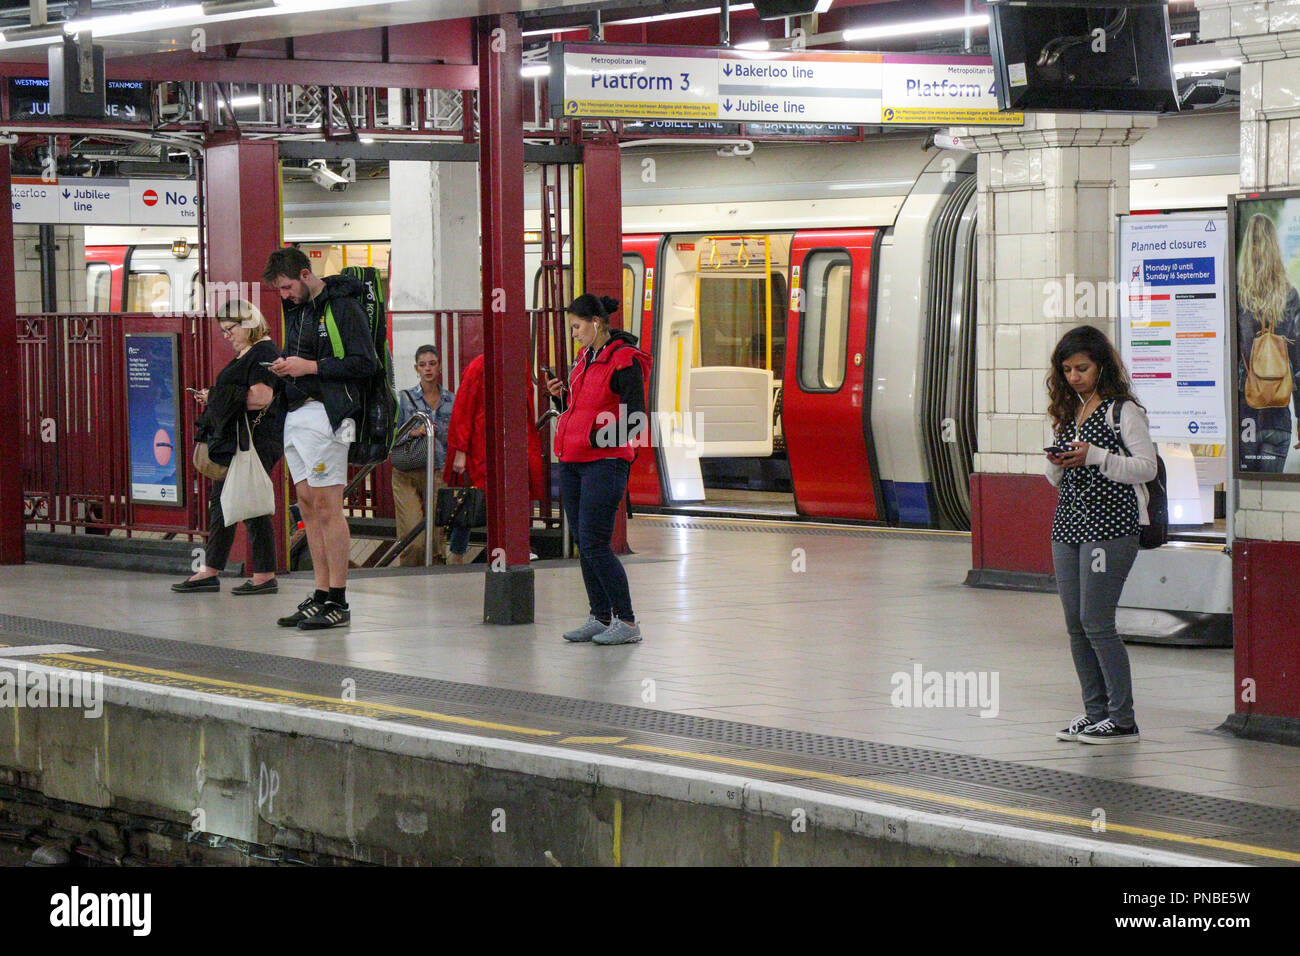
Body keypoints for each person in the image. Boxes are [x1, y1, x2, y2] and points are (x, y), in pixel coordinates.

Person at [1045, 325, 1157, 745]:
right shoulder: (1067, 410)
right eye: (1068, 369)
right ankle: (1095, 713)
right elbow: (1053, 478)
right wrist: (1058, 460)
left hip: (1110, 527)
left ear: (1101, 366)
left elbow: (1146, 466)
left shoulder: (1122, 411)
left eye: (1082, 368)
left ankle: (1123, 719)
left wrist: (1095, 455)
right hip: (1068, 526)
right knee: (1075, 623)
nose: (1074, 376)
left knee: (1097, 621)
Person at [262, 248, 378, 630]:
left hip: (328, 415)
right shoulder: (299, 310)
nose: (284, 295)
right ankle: (321, 591)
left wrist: (309, 366)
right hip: (297, 413)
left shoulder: (342, 306)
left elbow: (365, 362)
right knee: (308, 505)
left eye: (286, 286)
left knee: (328, 505)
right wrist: (285, 367)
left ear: (306, 275)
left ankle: (339, 600)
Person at [545, 294, 651, 646]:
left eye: (576, 327)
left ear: (596, 322)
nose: (573, 334)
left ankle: (627, 620)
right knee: (583, 541)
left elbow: (636, 418)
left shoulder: (624, 361)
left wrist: (599, 437)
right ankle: (600, 615)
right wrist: (559, 398)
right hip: (574, 462)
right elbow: (579, 408)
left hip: (605, 464)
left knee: (594, 542)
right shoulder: (584, 359)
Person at [172, 302, 283, 595]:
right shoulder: (248, 353)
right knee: (222, 499)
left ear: (247, 322)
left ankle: (263, 574)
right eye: (223, 331)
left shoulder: (264, 352)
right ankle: (213, 569)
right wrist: (215, 398)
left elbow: (262, 397)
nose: (226, 336)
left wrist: (216, 396)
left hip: (256, 438)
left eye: (229, 329)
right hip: (241, 438)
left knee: (248, 500)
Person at [441, 352, 546, 563]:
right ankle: (460, 550)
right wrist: (460, 451)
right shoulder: (489, 366)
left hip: (502, 443)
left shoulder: (490, 365)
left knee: (485, 499)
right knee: (479, 498)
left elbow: (464, 408)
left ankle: (508, 548)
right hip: (486, 445)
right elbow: (464, 408)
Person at [1236, 213, 1300, 473]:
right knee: (1270, 493)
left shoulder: (1237, 295)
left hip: (1243, 415)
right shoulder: (1290, 295)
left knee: (1246, 498)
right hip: (1278, 417)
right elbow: (1298, 364)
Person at [392, 344, 454, 565]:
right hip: (408, 471)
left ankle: (435, 580)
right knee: (414, 538)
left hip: (437, 471)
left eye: (432, 363)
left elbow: (455, 437)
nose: (427, 369)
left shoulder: (451, 401)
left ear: (440, 367)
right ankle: (409, 576)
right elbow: (392, 436)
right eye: (422, 365)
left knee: (437, 537)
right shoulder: (405, 399)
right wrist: (412, 432)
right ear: (416, 368)